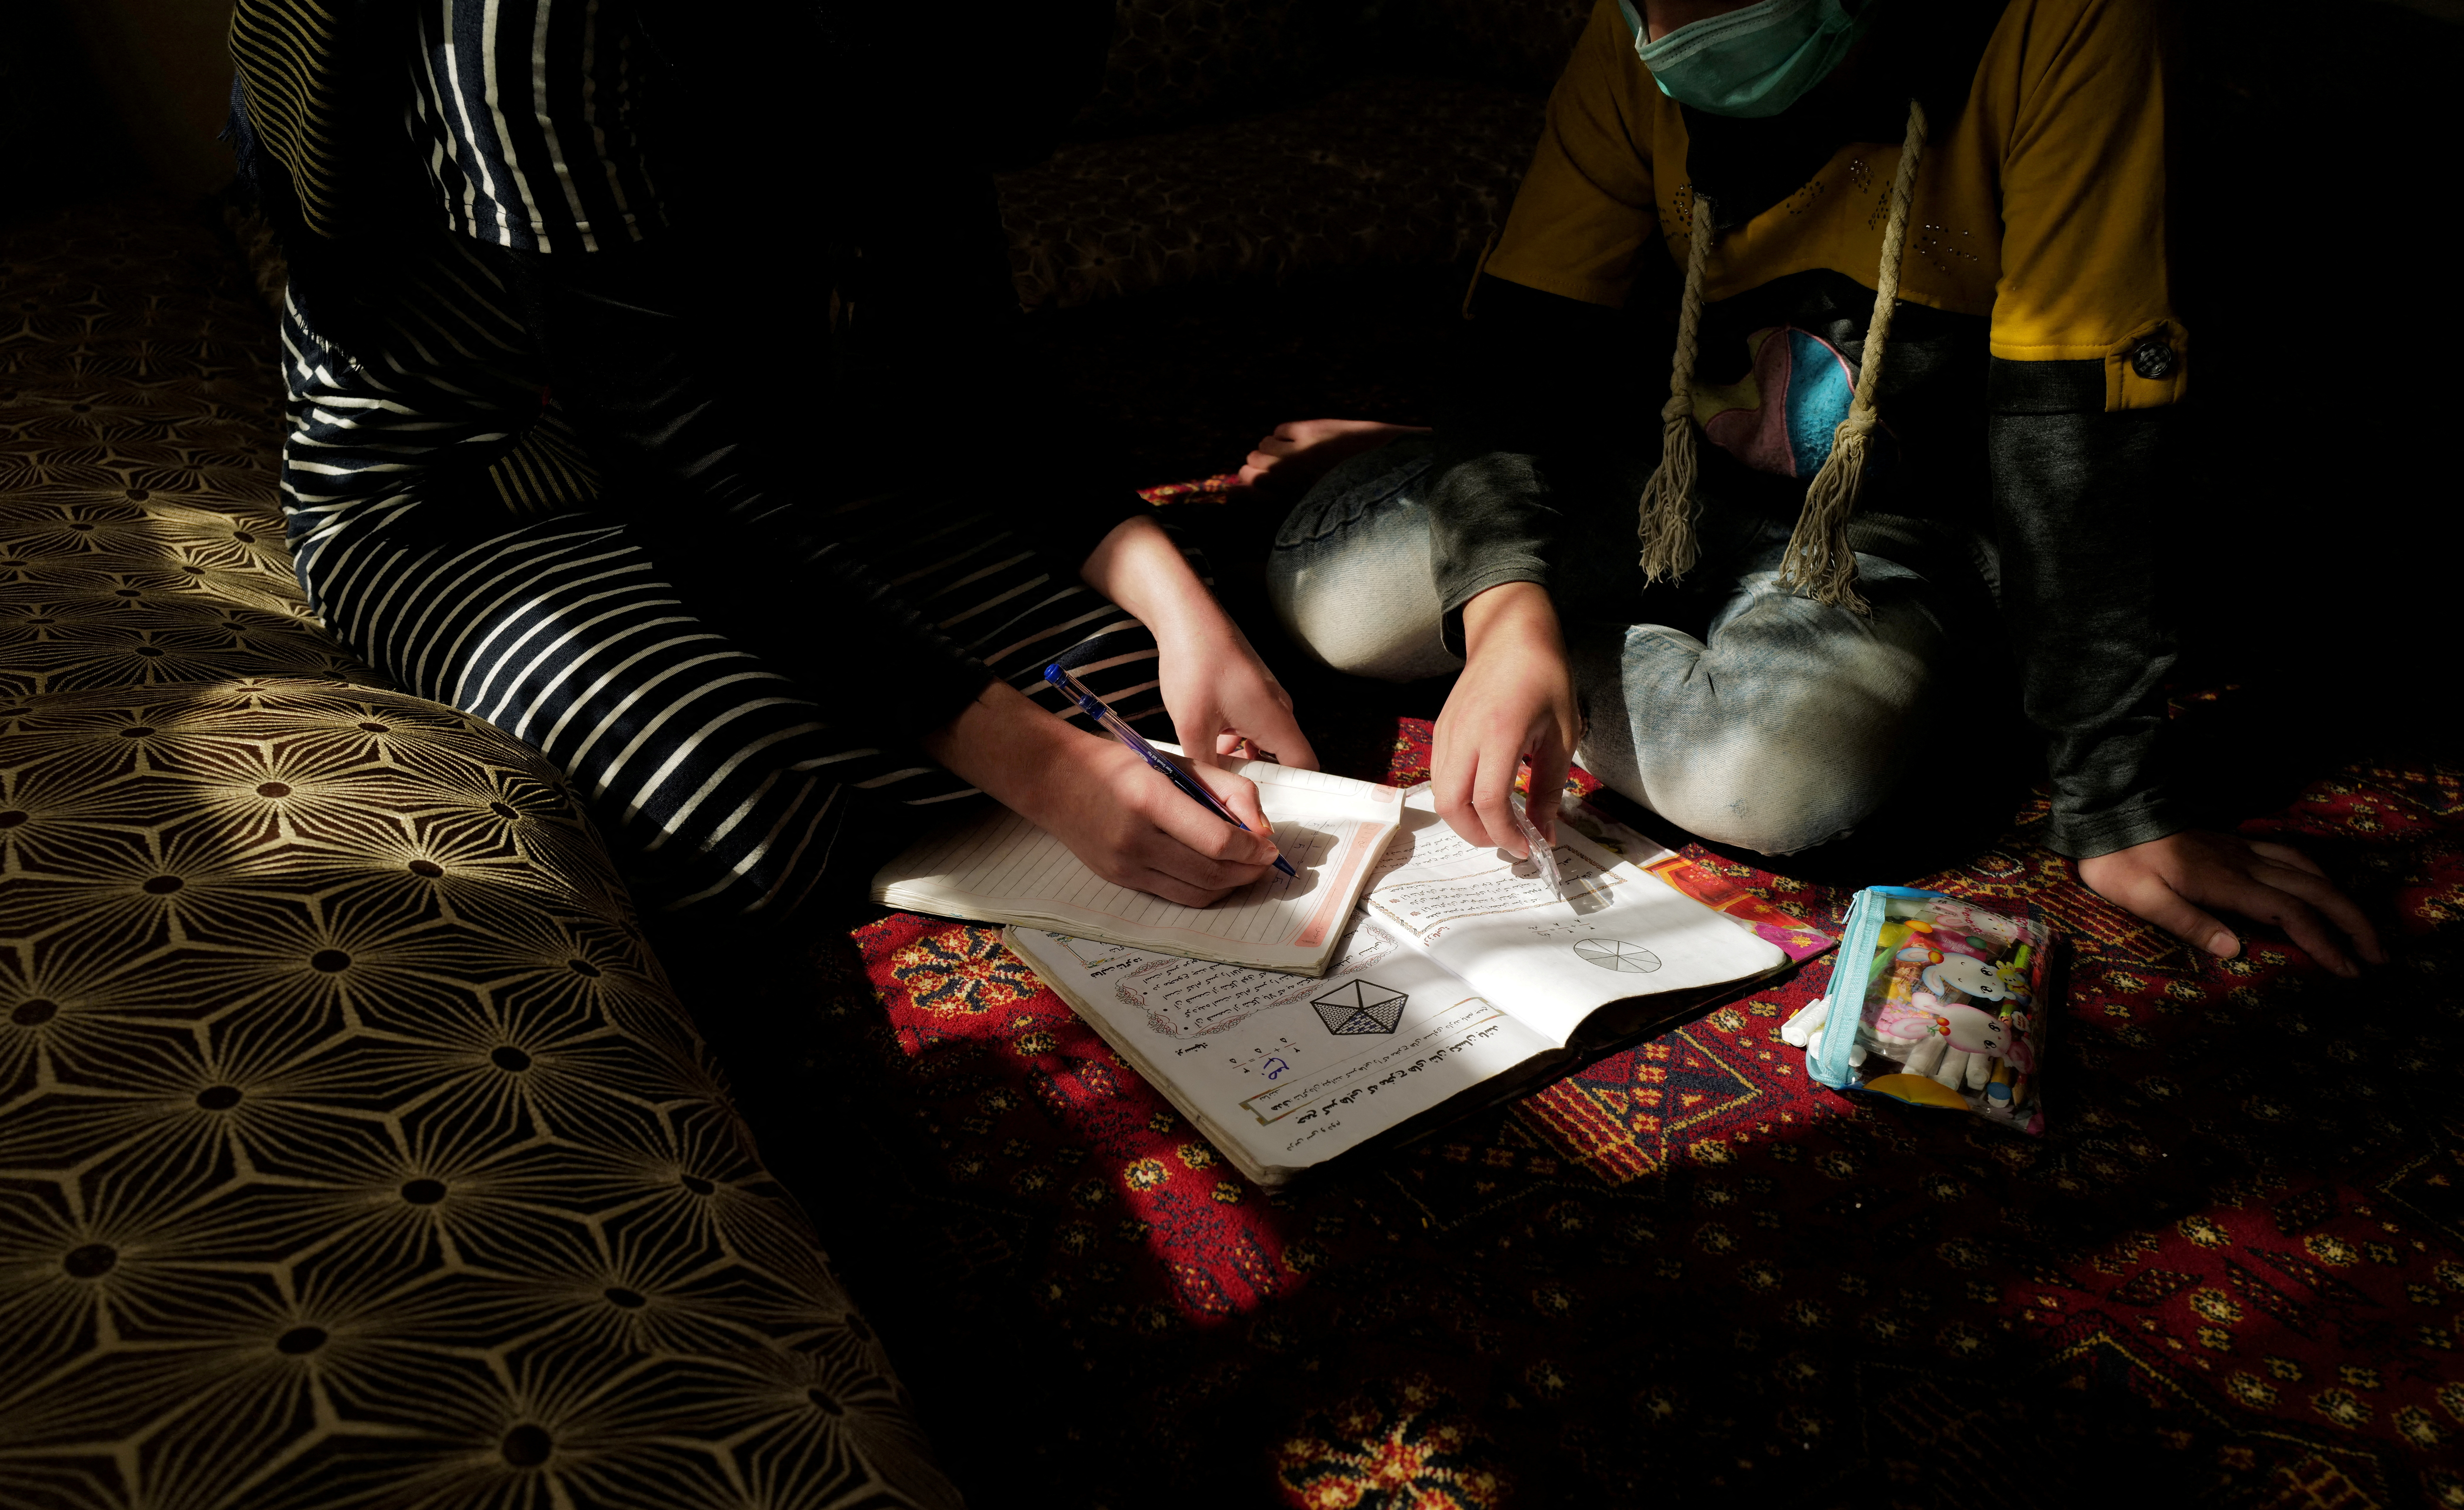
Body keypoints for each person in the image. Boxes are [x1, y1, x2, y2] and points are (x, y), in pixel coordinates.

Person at [1243, 0, 2383, 978]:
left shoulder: (2062, 24)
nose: (1671, 33)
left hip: (1894, 532)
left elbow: (2075, 437)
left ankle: (1537, 620)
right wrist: (1504, 616)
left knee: (1773, 780)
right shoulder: (1630, 35)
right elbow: (1526, 351)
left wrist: (2120, 799)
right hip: (1659, 480)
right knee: (1336, 598)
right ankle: (1525, 611)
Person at [226, 0, 1312, 918]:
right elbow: (675, 465)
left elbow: (969, 364)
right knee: (724, 800)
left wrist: (1182, 614)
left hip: (804, 461)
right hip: (481, 499)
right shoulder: (534, 34)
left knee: (1153, 670)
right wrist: (1051, 772)